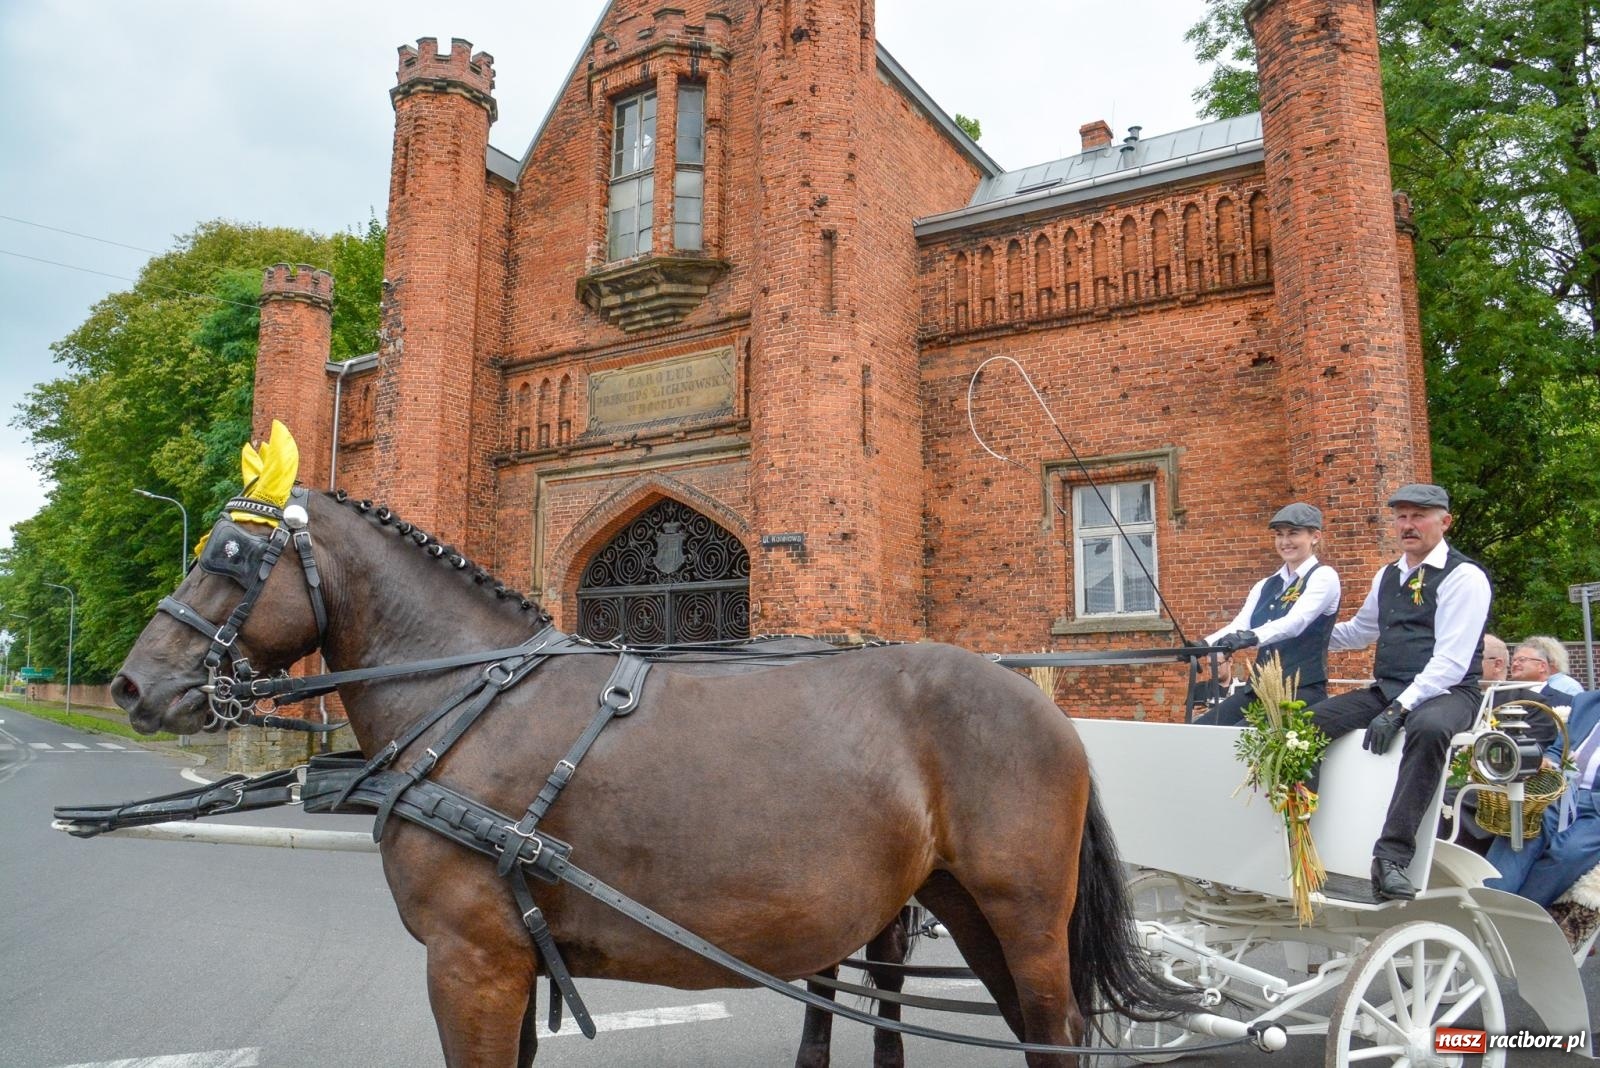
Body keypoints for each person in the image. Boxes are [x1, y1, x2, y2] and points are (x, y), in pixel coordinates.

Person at [1307, 484, 1491, 900]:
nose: (1408, 525)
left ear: (1444, 522)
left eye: (1419, 516)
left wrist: (1400, 709)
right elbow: (1360, 632)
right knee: (1309, 724)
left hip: (1450, 692)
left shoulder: (1464, 577)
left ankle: (1391, 857)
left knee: (1428, 729)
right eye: (1402, 516)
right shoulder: (1388, 574)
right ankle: (1302, 842)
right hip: (1389, 688)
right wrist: (1302, 635)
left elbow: (1451, 662)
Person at [1198, 503, 1340, 725]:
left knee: (1241, 736)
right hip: (1258, 689)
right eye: (1279, 535)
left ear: (1315, 537)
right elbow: (1241, 623)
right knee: (1202, 729)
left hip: (1298, 691)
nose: (1285, 542)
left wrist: (1251, 637)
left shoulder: (1323, 576)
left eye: (1293, 533)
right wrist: (1203, 645)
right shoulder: (1266, 584)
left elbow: (1296, 621)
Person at [1485, 689, 1600, 906]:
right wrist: (1546, 762)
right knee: (1521, 826)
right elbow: (1558, 750)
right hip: (1561, 791)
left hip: (1597, 806)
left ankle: (1519, 914)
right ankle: (1485, 904)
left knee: (1568, 852)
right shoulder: (1587, 702)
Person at [1510, 635, 1584, 699]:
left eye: (1522, 659)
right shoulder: (1510, 689)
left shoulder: (1569, 687)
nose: (1515, 664)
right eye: (1513, 660)